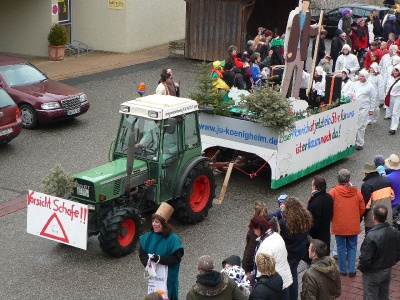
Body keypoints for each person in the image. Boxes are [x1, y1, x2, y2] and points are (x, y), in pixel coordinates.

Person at [139, 203, 184, 300]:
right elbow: (142, 253)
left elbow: (176, 258)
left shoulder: (173, 239)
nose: (154, 224)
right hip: (154, 277)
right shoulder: (148, 237)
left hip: (168, 277)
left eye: (157, 222)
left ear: (164, 224)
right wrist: (147, 262)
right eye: (153, 221)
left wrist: (159, 259)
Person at [357, 204, 400, 300]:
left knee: (370, 296)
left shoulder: (371, 236)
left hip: (373, 272)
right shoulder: (395, 231)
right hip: (387, 269)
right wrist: (392, 262)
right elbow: (398, 251)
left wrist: (362, 268)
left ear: (374, 217)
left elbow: (365, 258)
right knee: (384, 295)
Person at [329, 169, 365, 277]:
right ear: (349, 179)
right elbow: (362, 208)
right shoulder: (356, 192)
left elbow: (329, 208)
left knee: (340, 247)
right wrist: (356, 217)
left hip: (339, 225)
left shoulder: (333, 192)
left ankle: (343, 270)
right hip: (353, 225)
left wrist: (332, 218)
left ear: (338, 179)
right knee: (352, 246)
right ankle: (352, 270)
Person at [281, 0, 319, 98]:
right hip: (293, 50)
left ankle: (295, 97)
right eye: (304, 3)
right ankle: (282, 96)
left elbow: (308, 31)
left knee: (298, 76)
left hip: (301, 51)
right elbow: (292, 27)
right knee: (288, 75)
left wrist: (317, 29)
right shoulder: (294, 14)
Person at [249, 217, 292, 300]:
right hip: (283, 277)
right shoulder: (276, 235)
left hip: (271, 282)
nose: (253, 232)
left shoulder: (265, 246)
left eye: (253, 229)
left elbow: (262, 268)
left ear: (258, 228)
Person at [278, 196, 313, 300]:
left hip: (289, 254)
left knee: (286, 278)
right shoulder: (306, 217)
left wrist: (281, 211)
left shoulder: (284, 223)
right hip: (300, 251)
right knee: (293, 274)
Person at [242, 200, 279, 275]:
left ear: (255, 212)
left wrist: (246, 267)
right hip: (271, 257)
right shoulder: (273, 222)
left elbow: (251, 250)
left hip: (259, 261)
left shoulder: (255, 230)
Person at [361, 162, 394, 234]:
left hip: (373, 221)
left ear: (367, 173)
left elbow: (365, 206)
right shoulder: (387, 181)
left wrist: (360, 217)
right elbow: (392, 197)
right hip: (387, 218)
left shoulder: (366, 185)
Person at [307, 175, 334, 255]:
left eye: (312, 185)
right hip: (326, 231)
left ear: (315, 187)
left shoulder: (315, 203)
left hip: (317, 236)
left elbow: (313, 224)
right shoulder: (329, 197)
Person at [351, 69, 376, 150]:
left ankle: (360, 143)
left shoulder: (370, 86)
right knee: (354, 125)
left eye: (362, 76)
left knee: (361, 125)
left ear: (365, 77)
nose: (360, 77)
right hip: (354, 107)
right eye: (360, 75)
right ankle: (353, 141)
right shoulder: (355, 84)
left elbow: (373, 98)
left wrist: (371, 109)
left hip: (364, 108)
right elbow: (351, 92)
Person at [386, 64, 400, 134]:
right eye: (394, 71)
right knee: (391, 111)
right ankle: (396, 122)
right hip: (391, 96)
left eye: (396, 71)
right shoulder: (390, 78)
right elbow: (388, 87)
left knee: (395, 112)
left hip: (398, 97)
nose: (395, 72)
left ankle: (393, 128)